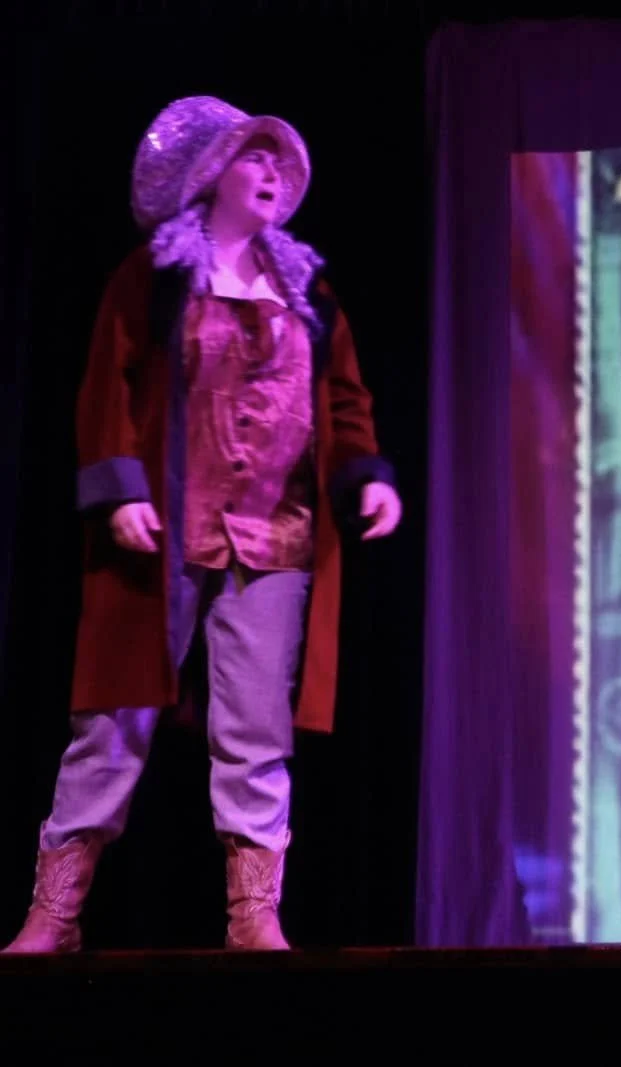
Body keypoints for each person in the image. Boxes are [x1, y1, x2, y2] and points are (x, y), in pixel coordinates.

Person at [4, 96, 402, 954]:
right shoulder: (153, 274)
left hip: (277, 534)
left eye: (275, 162)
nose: (269, 173)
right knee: (114, 720)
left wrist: (367, 478)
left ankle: (254, 915)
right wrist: (120, 490)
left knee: (255, 732)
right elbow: (106, 383)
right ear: (211, 171)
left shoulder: (306, 287)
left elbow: (344, 396)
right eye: (251, 158)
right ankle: (55, 913)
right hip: (167, 526)